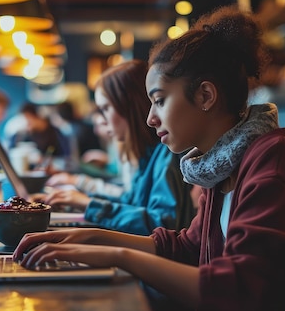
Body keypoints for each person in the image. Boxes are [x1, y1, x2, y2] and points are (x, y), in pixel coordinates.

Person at [13, 7, 285, 311]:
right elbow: (187, 247)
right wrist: (88, 237)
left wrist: (116, 255)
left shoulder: (274, 162)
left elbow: (237, 291)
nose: (150, 118)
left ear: (205, 95)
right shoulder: (220, 166)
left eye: (159, 100)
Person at [41, 59, 195, 235]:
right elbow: (131, 200)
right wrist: (81, 201)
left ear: (128, 107)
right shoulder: (148, 154)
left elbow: (162, 224)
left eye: (105, 108)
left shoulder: (166, 153)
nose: (102, 121)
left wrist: (89, 203)